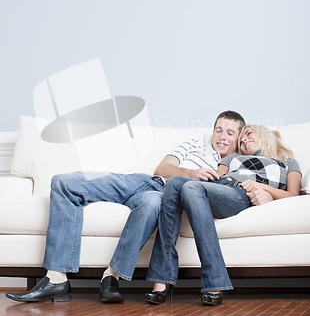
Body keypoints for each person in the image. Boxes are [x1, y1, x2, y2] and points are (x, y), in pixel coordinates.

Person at [5, 110, 246, 304]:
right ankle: (56, 277)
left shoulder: (232, 163)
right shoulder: (193, 144)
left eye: (230, 133)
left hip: (162, 198)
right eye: (219, 129)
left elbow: (214, 192)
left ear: (238, 139)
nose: (222, 136)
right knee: (63, 182)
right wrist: (191, 172)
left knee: (152, 204)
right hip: (143, 181)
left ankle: (112, 277)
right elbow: (162, 170)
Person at [145, 125, 302, 306]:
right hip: (221, 186)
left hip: (240, 193)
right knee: (174, 183)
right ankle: (161, 280)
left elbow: (293, 195)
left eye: (248, 134)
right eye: (241, 139)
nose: (243, 140)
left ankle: (214, 280)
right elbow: (214, 179)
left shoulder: (288, 162)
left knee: (191, 187)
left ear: (264, 135)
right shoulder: (232, 158)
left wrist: (264, 188)